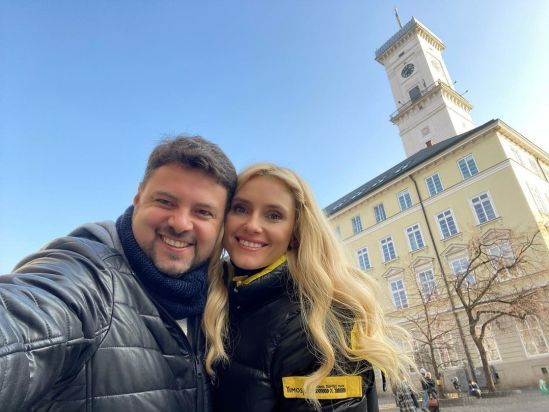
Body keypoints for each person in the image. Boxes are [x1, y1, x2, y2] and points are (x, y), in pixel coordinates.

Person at [0, 136, 237, 411]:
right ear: (138, 197)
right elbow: (26, 317)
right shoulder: (90, 274)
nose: (180, 223)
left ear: (222, 224)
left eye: (203, 212)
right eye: (165, 202)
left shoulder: (219, 300)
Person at [202, 163, 411, 411]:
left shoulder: (316, 324)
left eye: (274, 215)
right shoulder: (226, 299)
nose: (252, 225)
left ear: (295, 232)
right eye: (240, 208)